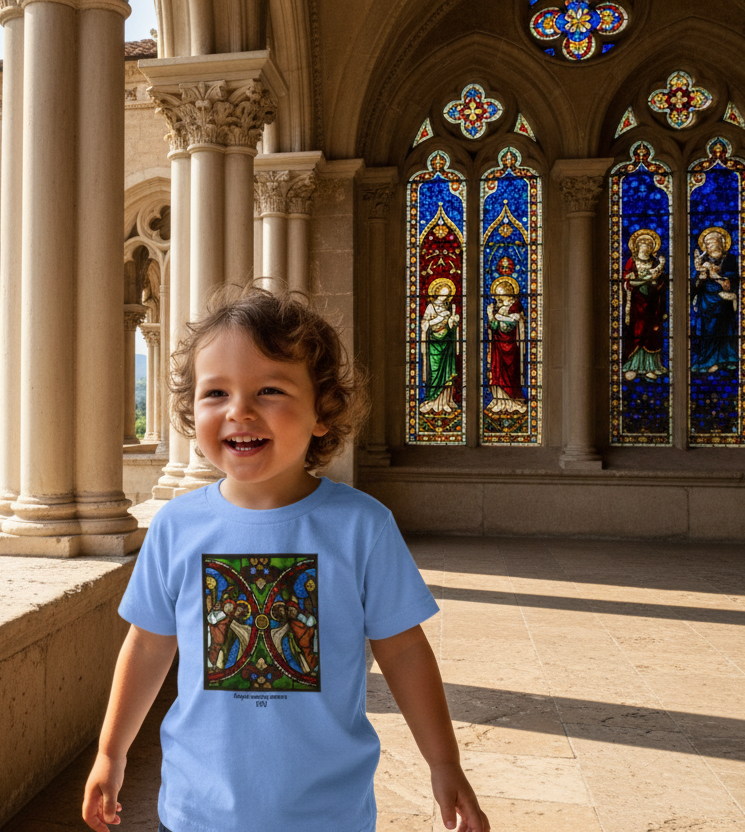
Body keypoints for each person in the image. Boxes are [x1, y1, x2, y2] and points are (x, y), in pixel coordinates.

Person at [82, 287, 489, 832]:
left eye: (269, 389)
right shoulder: (177, 527)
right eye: (216, 392)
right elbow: (150, 644)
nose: (240, 411)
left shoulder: (361, 526)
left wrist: (444, 761)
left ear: (323, 412)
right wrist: (112, 752)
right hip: (197, 811)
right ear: (190, 410)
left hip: (326, 813)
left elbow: (405, 651)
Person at [620, 229, 668, 381]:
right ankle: (633, 365)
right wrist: (644, 280)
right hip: (636, 302)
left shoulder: (655, 263)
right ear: (637, 247)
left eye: (649, 245)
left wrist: (657, 278)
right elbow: (627, 281)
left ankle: (651, 366)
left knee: (652, 331)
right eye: (643, 244)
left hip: (653, 302)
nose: (646, 247)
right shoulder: (631, 262)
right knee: (636, 330)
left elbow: (662, 282)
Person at [691, 227, 739, 374]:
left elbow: (728, 284)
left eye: (713, 242)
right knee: (709, 331)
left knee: (725, 329)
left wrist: (712, 273)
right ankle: (708, 360)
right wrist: (701, 277)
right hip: (707, 303)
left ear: (722, 243)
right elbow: (694, 286)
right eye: (707, 243)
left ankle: (727, 359)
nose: (709, 246)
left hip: (724, 302)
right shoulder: (702, 262)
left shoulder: (729, 259)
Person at [485, 270, 526, 414]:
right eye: (497, 294)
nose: (498, 297)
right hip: (498, 345)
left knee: (510, 373)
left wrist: (497, 317)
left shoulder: (515, 306)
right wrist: (491, 316)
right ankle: (499, 401)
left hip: (510, 345)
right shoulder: (501, 308)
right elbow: (495, 326)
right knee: (497, 373)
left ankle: (512, 402)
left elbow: (513, 322)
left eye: (500, 293)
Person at [420, 278, 461, 414]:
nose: (445, 296)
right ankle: (433, 401)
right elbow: (425, 325)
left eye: (447, 294)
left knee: (447, 373)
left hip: (447, 344)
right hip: (434, 344)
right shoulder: (431, 307)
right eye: (443, 293)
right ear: (437, 293)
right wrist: (438, 319)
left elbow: (451, 327)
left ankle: (446, 401)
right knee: (435, 372)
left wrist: (453, 321)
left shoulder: (449, 308)